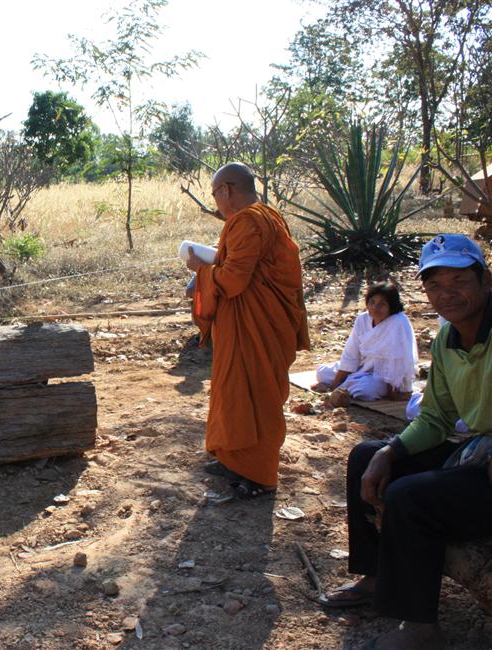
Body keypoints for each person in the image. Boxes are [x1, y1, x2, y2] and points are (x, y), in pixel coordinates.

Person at [319, 234, 492, 650]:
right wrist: (388, 450)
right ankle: (376, 575)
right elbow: (435, 417)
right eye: (435, 285)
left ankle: (419, 627)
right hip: (482, 452)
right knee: (366, 458)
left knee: (410, 496)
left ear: (486, 281)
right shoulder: (449, 338)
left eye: (459, 281)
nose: (446, 294)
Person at [187, 163, 310, 498]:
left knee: (255, 395)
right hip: (249, 324)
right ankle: (232, 459)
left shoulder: (247, 220)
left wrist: (201, 271)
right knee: (234, 392)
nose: (216, 202)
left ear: (227, 190)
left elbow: (233, 279)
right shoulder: (270, 217)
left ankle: (259, 476)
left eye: (215, 194)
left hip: (258, 328)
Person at [312, 282, 417, 406]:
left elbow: (396, 362)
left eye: (382, 304)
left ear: (391, 306)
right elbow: (351, 353)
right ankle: (349, 383)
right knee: (322, 372)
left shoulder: (398, 322)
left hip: (384, 375)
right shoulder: (363, 319)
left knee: (363, 391)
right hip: (362, 366)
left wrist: (392, 393)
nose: (375, 307)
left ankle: (351, 384)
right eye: (372, 302)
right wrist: (334, 386)